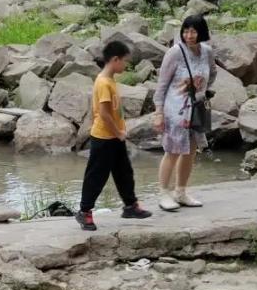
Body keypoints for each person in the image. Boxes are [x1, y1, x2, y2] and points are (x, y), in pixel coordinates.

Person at [76, 40, 153, 231]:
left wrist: (120, 131)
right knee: (97, 175)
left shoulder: (110, 80)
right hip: (104, 138)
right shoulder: (103, 82)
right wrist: (118, 132)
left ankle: (130, 206)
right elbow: (103, 113)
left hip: (115, 137)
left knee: (124, 172)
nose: (126, 66)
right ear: (115, 59)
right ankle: (84, 211)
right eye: (125, 61)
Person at [154, 14, 215, 211]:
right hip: (175, 110)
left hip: (196, 108)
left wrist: (201, 89)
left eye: (193, 31)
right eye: (186, 31)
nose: (189, 35)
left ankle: (181, 191)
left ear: (201, 32)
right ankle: (164, 193)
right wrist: (158, 112)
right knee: (172, 150)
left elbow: (212, 72)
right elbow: (162, 84)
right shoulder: (175, 53)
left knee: (190, 150)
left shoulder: (207, 51)